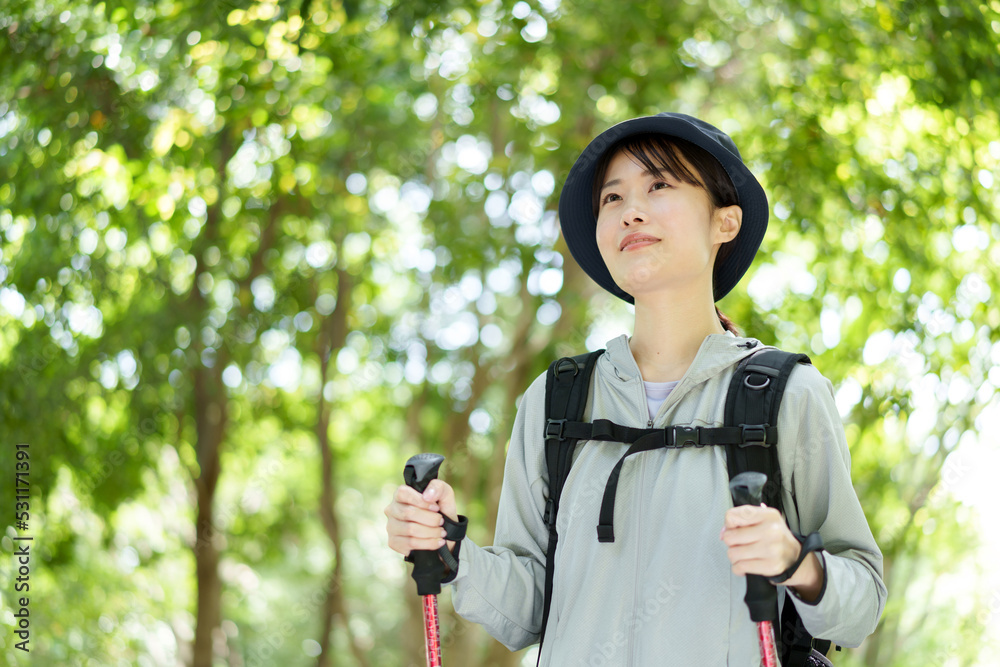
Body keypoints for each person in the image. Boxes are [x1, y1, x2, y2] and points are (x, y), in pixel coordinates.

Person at [385, 112, 886, 665]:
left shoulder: (785, 393)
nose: (632, 211)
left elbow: (859, 607)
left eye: (659, 185)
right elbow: (528, 611)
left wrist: (796, 562)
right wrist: (451, 549)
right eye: (612, 199)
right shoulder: (554, 400)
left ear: (726, 222)